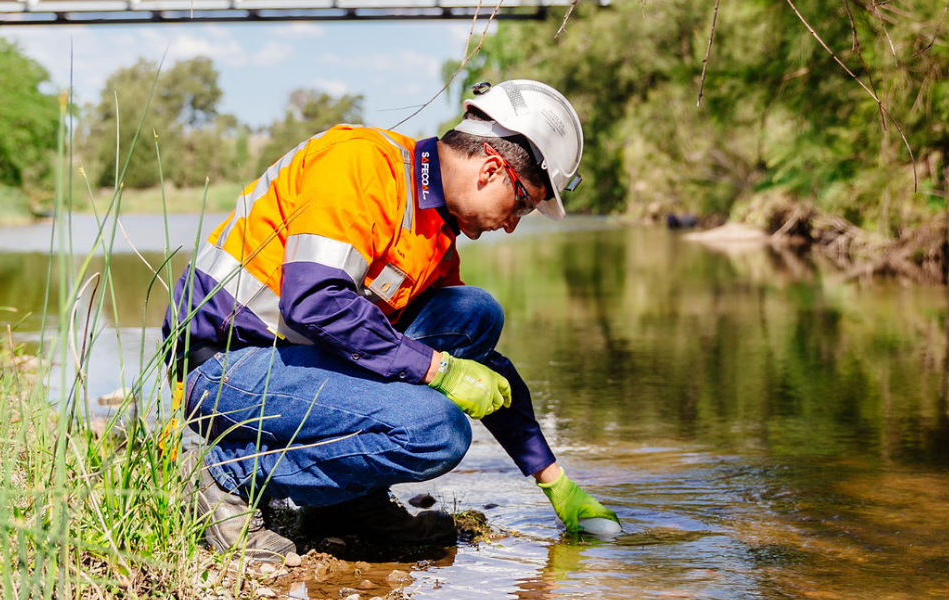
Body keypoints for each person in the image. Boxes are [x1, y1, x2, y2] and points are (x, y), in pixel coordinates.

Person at [167, 79, 619, 559]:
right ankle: (224, 476)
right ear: (492, 168)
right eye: (524, 203)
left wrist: (553, 480)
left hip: (297, 366)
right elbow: (313, 301)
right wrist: (438, 371)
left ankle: (346, 503)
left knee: (475, 315)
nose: (513, 222)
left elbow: (486, 369)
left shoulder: (435, 229)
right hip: (224, 368)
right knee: (436, 431)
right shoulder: (360, 164)